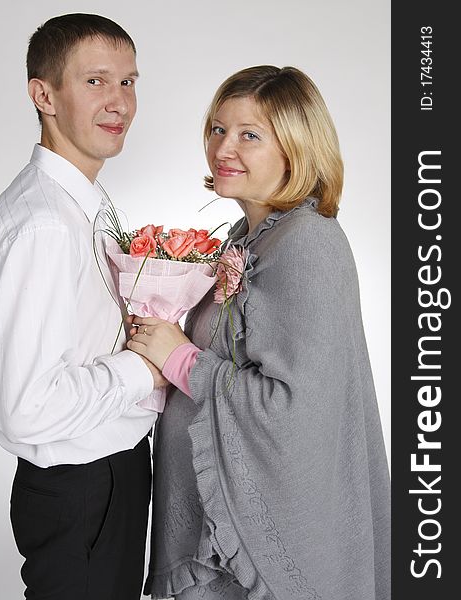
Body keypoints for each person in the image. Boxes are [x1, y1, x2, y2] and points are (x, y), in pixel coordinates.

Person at [129, 65, 391, 600]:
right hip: (209, 524)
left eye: (251, 135)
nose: (224, 147)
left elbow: (296, 406)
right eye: (218, 129)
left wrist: (181, 360)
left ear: (296, 147)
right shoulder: (247, 237)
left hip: (241, 548)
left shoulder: (307, 245)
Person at [0, 13, 166, 600]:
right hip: (83, 486)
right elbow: (24, 407)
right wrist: (144, 368)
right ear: (44, 95)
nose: (120, 103)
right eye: (96, 81)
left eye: (129, 82)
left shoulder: (79, 203)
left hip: (105, 477)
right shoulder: (45, 225)